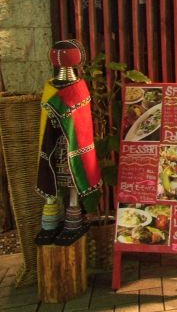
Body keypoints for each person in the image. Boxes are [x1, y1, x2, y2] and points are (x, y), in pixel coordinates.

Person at [35, 39, 102, 246]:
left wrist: (59, 113)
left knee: (74, 179)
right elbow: (46, 116)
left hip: (72, 144)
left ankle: (73, 217)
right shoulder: (51, 86)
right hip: (52, 144)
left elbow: (80, 124)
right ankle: (50, 220)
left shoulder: (78, 87)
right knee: (51, 175)